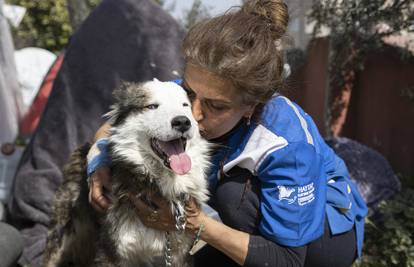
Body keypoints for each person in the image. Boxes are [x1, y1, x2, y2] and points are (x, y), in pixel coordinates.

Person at [88, 1, 368, 266]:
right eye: (189, 93)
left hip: (323, 237)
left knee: (233, 195)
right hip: (247, 227)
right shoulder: (196, 91)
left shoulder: (288, 146)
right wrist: (98, 161)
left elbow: (289, 259)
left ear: (251, 106)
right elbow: (118, 124)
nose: (193, 116)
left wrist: (195, 224)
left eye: (216, 106)